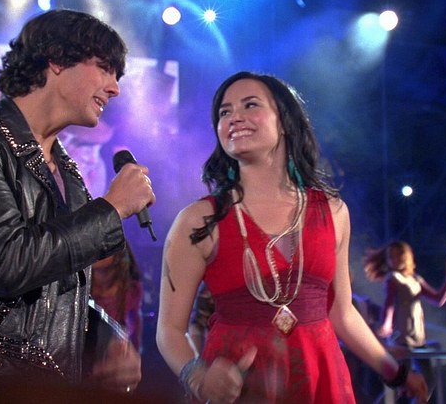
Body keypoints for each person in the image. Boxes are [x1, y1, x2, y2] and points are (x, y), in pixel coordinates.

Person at [156, 71, 428, 403]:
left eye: (250, 105)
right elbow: (169, 330)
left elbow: (342, 314)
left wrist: (397, 374)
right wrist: (199, 379)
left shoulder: (333, 213)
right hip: (241, 389)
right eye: (225, 112)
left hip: (321, 382)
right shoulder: (198, 220)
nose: (234, 117)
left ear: (284, 121)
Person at [0, 9, 152, 392]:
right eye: (105, 68)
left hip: (47, 389)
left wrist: (108, 341)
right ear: (57, 60)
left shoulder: (66, 170)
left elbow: (54, 294)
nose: (115, 89)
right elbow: (6, 264)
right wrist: (111, 208)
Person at [364, 240, 446, 402]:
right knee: (400, 386)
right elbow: (388, 304)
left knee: (427, 382)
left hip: (418, 340)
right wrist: (386, 324)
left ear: (407, 256)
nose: (395, 259)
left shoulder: (415, 279)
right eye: (391, 257)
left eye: (398, 255)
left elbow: (438, 299)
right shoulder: (393, 278)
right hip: (401, 341)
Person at [91, 242, 144, 351]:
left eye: (103, 246)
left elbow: (134, 336)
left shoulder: (131, 291)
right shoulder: (76, 288)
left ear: (119, 253)